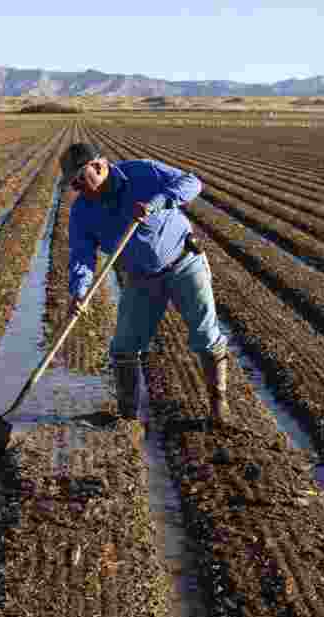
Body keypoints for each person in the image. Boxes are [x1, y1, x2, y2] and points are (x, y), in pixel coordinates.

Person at [60, 141, 230, 425]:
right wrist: (79, 292)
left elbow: (192, 183)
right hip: (140, 278)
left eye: (79, 180)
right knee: (124, 346)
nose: (76, 188)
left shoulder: (141, 172)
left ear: (98, 166)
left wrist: (159, 202)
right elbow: (81, 256)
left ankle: (218, 404)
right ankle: (128, 418)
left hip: (183, 262)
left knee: (205, 335)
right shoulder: (82, 212)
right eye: (72, 184)